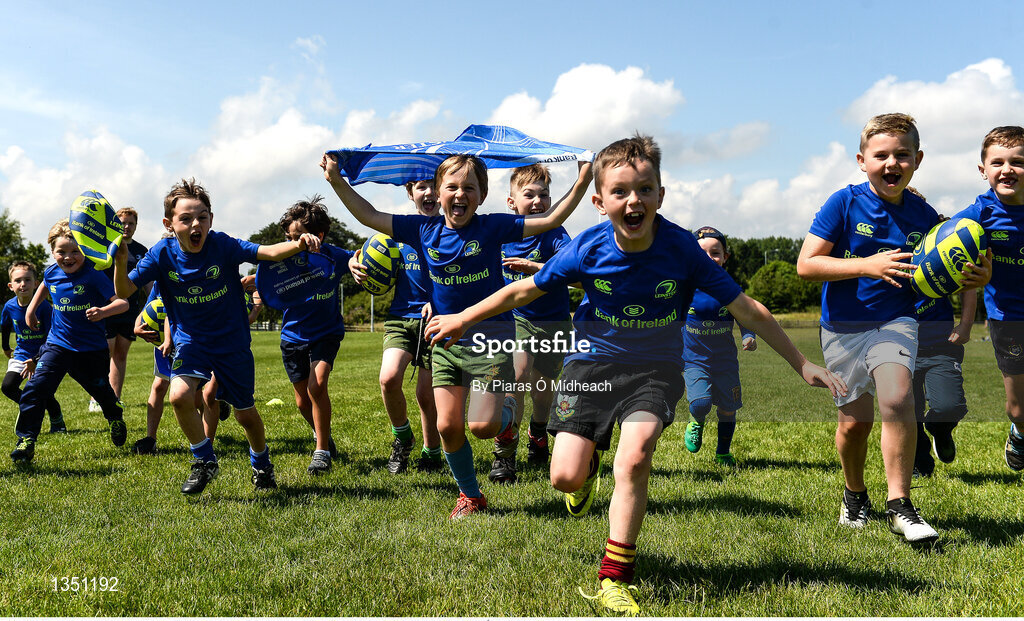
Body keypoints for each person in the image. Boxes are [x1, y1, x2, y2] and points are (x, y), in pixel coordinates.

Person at [426, 134, 844, 614]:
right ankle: (584, 475)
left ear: (660, 195)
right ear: (600, 201)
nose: (634, 200)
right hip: (591, 365)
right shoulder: (587, 247)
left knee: (635, 458)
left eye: (645, 189)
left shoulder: (683, 250)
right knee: (563, 477)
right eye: (621, 191)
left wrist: (802, 363)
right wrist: (461, 319)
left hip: (657, 370)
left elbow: (748, 310)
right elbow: (522, 292)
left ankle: (615, 577)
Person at [323, 150, 592, 519]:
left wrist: (583, 179)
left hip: (491, 339)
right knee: (447, 426)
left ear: (481, 195)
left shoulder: (492, 228)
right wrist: (337, 181)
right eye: (452, 186)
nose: (460, 193)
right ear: (439, 190)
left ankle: (507, 420)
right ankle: (471, 496)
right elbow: (368, 215)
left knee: (482, 427)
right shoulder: (422, 230)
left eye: (469, 187)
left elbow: (552, 218)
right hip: (445, 341)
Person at [797, 113, 989, 544]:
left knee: (899, 398)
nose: (891, 163)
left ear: (917, 160)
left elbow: (951, 262)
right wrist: (867, 265)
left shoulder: (925, 216)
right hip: (843, 329)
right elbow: (806, 265)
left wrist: (976, 276)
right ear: (862, 160)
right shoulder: (842, 203)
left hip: (897, 321)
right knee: (853, 425)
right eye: (881, 155)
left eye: (902, 155)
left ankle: (900, 505)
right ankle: (854, 493)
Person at [113, 178, 321, 495]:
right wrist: (118, 261)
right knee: (179, 396)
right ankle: (204, 460)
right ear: (169, 224)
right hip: (191, 341)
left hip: (232, 343)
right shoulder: (160, 254)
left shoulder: (222, 244)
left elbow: (267, 251)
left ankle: (262, 464)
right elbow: (124, 291)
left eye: (203, 217)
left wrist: (299, 244)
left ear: (211, 218)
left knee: (245, 415)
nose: (196, 224)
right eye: (186, 218)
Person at [10, 219, 129, 462]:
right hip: (58, 345)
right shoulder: (52, 271)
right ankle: (26, 440)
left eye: (75, 251)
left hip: (91, 349)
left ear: (84, 250)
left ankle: (114, 415)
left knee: (101, 390)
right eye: (61, 252)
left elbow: (122, 303)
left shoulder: (94, 274)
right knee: (36, 388)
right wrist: (32, 309)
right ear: (52, 252)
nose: (68, 257)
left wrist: (103, 312)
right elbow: (46, 284)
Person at [349, 179, 443, 475]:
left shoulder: (453, 231)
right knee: (389, 379)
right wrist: (355, 265)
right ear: (410, 193)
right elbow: (370, 260)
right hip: (401, 318)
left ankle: (432, 452)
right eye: (421, 187)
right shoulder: (397, 234)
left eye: (434, 186)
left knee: (426, 395)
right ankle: (402, 438)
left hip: (438, 320)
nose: (428, 193)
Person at [491, 163, 574, 483]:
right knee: (519, 378)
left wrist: (534, 267)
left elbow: (570, 269)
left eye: (544, 195)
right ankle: (504, 455)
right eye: (529, 195)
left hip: (554, 324)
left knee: (543, 392)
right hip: (517, 321)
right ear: (512, 201)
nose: (538, 201)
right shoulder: (501, 235)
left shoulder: (554, 233)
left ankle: (538, 434)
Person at [951, 126, 1024, 472]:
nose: (1007, 169)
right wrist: (966, 320)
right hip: (1008, 319)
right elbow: (951, 258)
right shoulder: (977, 215)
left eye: (1018, 162)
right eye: (997, 162)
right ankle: (1019, 432)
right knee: (1018, 409)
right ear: (983, 170)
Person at [269, 195, 353, 474]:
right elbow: (267, 282)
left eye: (298, 237)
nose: (293, 242)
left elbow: (356, 261)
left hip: (326, 333)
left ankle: (321, 451)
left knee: (317, 386)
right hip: (292, 336)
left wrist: (356, 264)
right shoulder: (284, 258)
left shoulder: (333, 256)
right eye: (289, 237)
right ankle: (323, 435)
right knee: (302, 400)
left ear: (318, 235)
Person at [682, 226, 756, 468]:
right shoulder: (683, 289)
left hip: (725, 362)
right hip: (694, 359)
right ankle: (697, 419)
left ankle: (723, 452)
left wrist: (748, 335)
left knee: (728, 409)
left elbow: (746, 315)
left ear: (725, 257)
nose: (709, 258)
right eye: (701, 253)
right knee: (700, 403)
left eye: (715, 253)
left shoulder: (730, 290)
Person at [90, 207, 148, 413]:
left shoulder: (142, 251)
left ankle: (115, 397)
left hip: (130, 311)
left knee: (121, 355)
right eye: (122, 222)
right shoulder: (105, 247)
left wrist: (150, 307)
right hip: (106, 308)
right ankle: (97, 398)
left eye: (131, 223)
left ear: (136, 226)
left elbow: (148, 285)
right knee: (104, 353)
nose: (126, 226)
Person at [2, 261, 64, 432]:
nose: (23, 284)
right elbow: (5, 326)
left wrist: (37, 359)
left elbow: (52, 336)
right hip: (21, 354)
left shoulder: (44, 307)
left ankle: (57, 420)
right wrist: (6, 347)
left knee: (43, 391)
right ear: (10, 285)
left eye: (28, 280)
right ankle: (32, 407)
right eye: (18, 280)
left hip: (43, 354)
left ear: (36, 284)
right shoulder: (9, 306)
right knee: (8, 387)